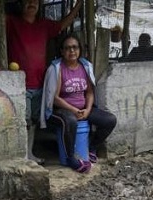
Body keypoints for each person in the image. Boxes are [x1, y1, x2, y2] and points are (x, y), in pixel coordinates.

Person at [7, 0, 82, 164]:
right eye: (27, 1)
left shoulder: (44, 26)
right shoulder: (11, 22)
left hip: (40, 84)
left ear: (39, 5)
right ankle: (21, 156)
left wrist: (79, 4)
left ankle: (29, 154)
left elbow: (63, 24)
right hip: (19, 85)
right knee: (23, 121)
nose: (31, 3)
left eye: (35, 1)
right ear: (21, 4)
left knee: (33, 121)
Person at [41, 34, 117, 173]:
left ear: (79, 49)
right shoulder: (57, 68)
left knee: (109, 120)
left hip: (82, 109)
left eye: (75, 47)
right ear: (62, 51)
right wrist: (73, 110)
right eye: (68, 48)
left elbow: (89, 92)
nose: (72, 51)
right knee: (70, 121)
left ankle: (92, 147)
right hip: (61, 111)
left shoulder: (85, 66)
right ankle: (71, 159)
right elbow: (55, 98)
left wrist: (87, 109)